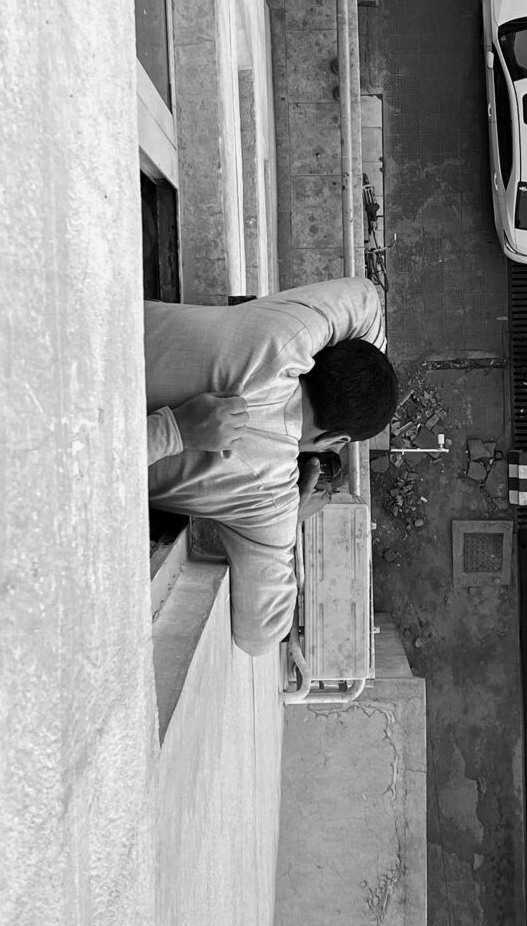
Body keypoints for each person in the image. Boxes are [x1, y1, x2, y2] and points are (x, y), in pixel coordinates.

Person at [146, 277, 396, 652]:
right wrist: (290, 516)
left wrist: (358, 373)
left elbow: (368, 299)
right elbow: (259, 635)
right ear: (336, 442)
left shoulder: (293, 330)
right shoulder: (271, 496)